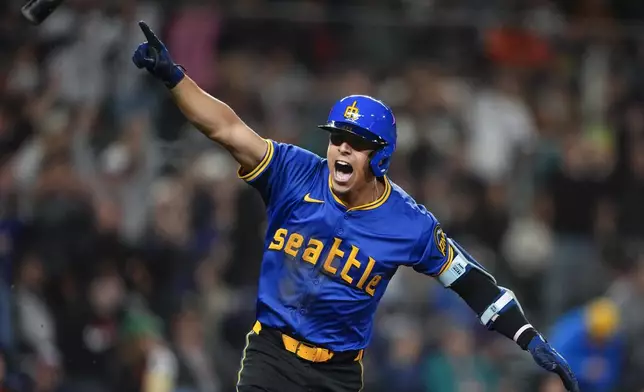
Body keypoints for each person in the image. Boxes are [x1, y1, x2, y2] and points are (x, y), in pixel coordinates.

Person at [131, 21, 579, 392]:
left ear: (380, 156)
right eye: (337, 140)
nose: (342, 151)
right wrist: (176, 79)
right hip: (270, 354)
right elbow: (227, 129)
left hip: (337, 374)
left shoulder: (410, 224)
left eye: (357, 144)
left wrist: (527, 337)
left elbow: (471, 282)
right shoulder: (294, 172)